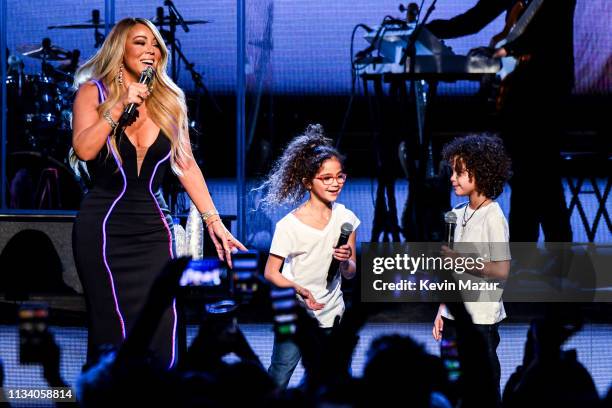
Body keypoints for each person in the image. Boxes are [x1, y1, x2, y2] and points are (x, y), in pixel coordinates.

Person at [71, 17, 246, 368]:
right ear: (120, 49)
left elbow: (186, 165)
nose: (150, 50)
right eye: (140, 42)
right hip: (104, 230)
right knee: (113, 331)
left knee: (166, 322)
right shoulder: (93, 92)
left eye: (155, 45)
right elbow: (85, 150)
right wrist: (119, 106)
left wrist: (214, 221)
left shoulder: (171, 100)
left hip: (154, 230)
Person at [426, 0, 576, 242]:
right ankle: (526, 255)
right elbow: (474, 19)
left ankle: (558, 258)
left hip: (548, 90)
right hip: (516, 92)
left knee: (543, 176)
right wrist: (426, 30)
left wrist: (503, 51)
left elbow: (547, 34)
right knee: (525, 176)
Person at [259, 124, 360, 389]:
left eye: (339, 176)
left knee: (337, 381)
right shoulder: (288, 226)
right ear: (307, 182)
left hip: (333, 312)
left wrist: (346, 259)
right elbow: (271, 272)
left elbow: (350, 273)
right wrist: (299, 290)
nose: (335, 183)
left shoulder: (346, 219)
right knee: (279, 374)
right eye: (326, 178)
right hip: (295, 315)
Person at [431, 134, 512, 394]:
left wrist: (462, 261)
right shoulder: (455, 213)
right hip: (454, 317)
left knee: (482, 387)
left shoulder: (493, 217)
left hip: (481, 320)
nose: (452, 178)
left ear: (480, 173)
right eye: (452, 171)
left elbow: (501, 271)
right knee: (452, 384)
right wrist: (442, 309)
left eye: (459, 172)